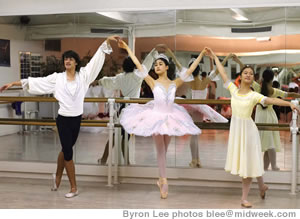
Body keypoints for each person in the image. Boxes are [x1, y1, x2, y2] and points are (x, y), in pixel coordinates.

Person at [0, 35, 119, 198]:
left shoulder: (84, 76)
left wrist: (106, 42)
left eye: (71, 59)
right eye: (66, 59)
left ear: (76, 62)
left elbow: (96, 62)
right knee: (68, 152)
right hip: (63, 119)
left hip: (76, 120)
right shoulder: (57, 78)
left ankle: (56, 176)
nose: (68, 61)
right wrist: (13, 84)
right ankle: (73, 187)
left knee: (65, 149)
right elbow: (36, 82)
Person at [206, 48, 300, 208]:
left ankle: (244, 198)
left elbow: (272, 100)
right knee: (250, 162)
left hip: (248, 132)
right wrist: (215, 57)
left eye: (251, 73)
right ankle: (262, 186)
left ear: (253, 78)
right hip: (237, 132)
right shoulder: (233, 90)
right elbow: (222, 73)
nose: (248, 75)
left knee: (247, 164)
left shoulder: (254, 95)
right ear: (240, 76)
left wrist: (289, 103)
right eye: (245, 73)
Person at [118, 39, 205, 199]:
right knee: (160, 151)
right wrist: (127, 49)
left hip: (171, 118)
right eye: (155, 64)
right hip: (156, 117)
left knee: (164, 151)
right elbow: (138, 64)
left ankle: (160, 178)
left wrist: (201, 55)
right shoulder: (152, 82)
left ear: (166, 67)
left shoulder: (174, 83)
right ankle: (164, 181)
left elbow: (191, 69)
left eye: (160, 64)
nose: (156, 66)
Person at [97, 48, 158, 165]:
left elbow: (108, 81)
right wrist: (153, 53)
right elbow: (146, 65)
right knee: (124, 137)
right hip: (133, 110)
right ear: (134, 66)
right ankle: (125, 161)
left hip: (124, 109)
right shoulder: (137, 76)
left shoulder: (121, 77)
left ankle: (107, 159)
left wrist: (99, 81)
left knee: (117, 135)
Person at [254, 69, 300, 171]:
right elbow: (289, 95)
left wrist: (239, 62)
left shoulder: (258, 87)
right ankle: (273, 165)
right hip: (270, 116)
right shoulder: (273, 91)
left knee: (267, 143)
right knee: (270, 142)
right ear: (272, 78)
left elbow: (249, 75)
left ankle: (265, 167)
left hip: (259, 115)